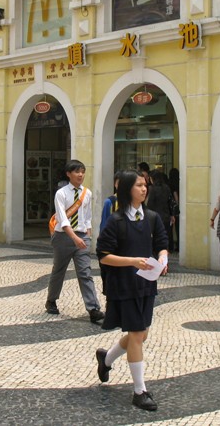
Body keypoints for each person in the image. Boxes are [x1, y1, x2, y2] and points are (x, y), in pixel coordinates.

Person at [95, 169, 169, 412]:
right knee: (137, 335)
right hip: (124, 284)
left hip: (146, 283)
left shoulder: (152, 218)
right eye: (139, 185)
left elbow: (162, 245)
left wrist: (163, 259)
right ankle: (140, 391)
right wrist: (133, 261)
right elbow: (104, 256)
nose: (144, 188)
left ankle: (106, 359)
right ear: (127, 190)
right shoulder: (115, 221)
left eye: (145, 184)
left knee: (141, 334)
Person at [45, 159, 105, 324]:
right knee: (59, 270)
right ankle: (51, 300)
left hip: (81, 236)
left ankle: (93, 309)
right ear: (68, 174)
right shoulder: (61, 193)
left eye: (82, 171)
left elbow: (87, 217)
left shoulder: (87, 193)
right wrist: (74, 238)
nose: (80, 175)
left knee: (85, 272)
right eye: (77, 171)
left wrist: (88, 235)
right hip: (63, 237)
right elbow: (63, 220)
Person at [147, 171, 174, 253]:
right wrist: (172, 215)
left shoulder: (153, 189)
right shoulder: (166, 188)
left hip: (155, 217)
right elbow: (170, 202)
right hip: (166, 217)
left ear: (153, 179)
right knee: (164, 237)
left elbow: (150, 204)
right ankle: (165, 253)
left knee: (155, 238)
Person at [169, 168, 180, 252]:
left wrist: (176, 205)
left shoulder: (171, 184)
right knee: (178, 228)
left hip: (174, 209)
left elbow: (175, 195)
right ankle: (179, 245)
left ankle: (174, 246)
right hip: (178, 209)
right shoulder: (178, 183)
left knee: (174, 228)